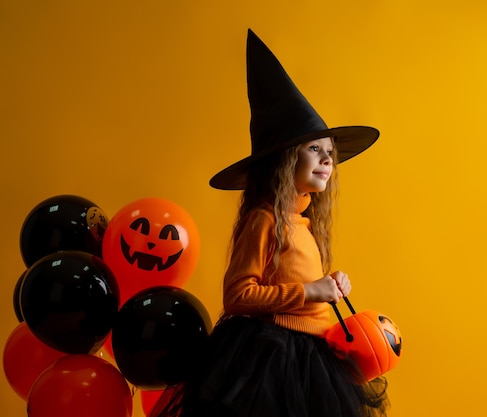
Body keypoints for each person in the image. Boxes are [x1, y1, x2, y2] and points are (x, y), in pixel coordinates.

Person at [150, 29, 388, 417]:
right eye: (315, 149)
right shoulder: (263, 220)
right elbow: (238, 295)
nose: (328, 160)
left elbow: (298, 280)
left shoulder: (304, 224)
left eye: (330, 152)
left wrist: (331, 286)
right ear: (284, 160)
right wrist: (310, 291)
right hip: (269, 356)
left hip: (313, 355)